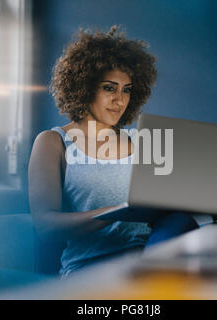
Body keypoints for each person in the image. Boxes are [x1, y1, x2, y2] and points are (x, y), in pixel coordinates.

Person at [28, 26, 199, 277]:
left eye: (127, 89)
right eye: (110, 88)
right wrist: (118, 212)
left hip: (151, 267)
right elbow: (46, 226)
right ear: (84, 86)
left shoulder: (143, 141)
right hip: (89, 272)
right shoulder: (53, 142)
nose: (120, 99)